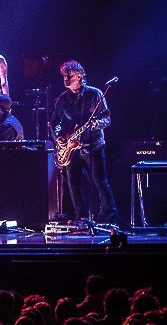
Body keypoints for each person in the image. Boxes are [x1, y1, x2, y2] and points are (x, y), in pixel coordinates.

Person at [50, 60, 119, 224]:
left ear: (80, 76)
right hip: (71, 148)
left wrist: (96, 124)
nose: (65, 79)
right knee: (73, 184)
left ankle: (110, 217)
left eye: (69, 76)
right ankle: (80, 217)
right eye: (64, 76)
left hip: (93, 145)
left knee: (100, 182)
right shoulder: (62, 99)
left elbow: (106, 119)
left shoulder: (95, 94)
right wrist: (58, 137)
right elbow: (53, 122)